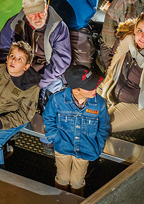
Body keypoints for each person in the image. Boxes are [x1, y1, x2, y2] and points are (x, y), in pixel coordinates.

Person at [42, 65, 111, 194]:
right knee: (62, 178)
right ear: (76, 91)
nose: (95, 88)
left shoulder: (100, 103)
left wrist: (98, 145)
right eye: (90, 86)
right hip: (63, 147)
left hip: (86, 149)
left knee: (77, 181)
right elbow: (48, 118)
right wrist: (54, 138)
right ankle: (61, 202)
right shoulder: (57, 100)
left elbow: (104, 125)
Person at [0, 0, 72, 95]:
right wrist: (14, 74)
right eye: (32, 14)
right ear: (25, 13)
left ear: (47, 8)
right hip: (20, 70)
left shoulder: (59, 27)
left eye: (41, 12)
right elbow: (2, 50)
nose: (38, 17)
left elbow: (61, 60)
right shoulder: (13, 23)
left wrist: (38, 82)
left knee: (55, 95)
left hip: (46, 75)